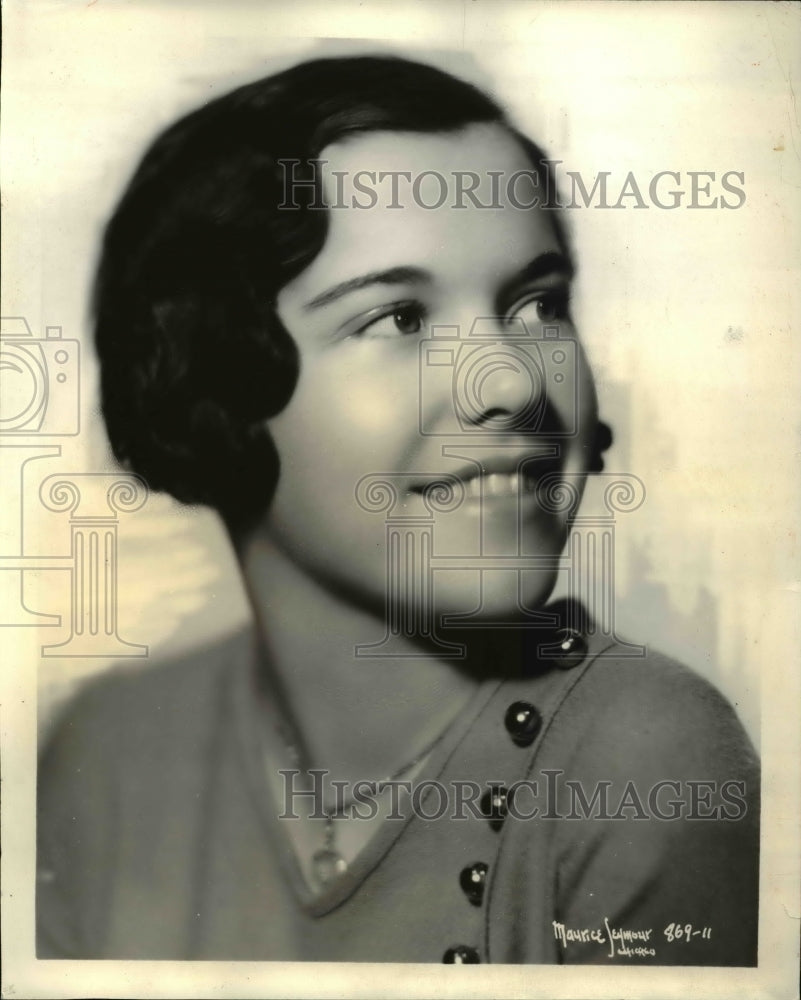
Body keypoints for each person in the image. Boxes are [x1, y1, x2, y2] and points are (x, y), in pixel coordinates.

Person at [36, 53, 759, 965]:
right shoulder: (106, 752)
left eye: (535, 304)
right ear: (212, 382)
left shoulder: (643, 757)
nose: (507, 381)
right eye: (401, 320)